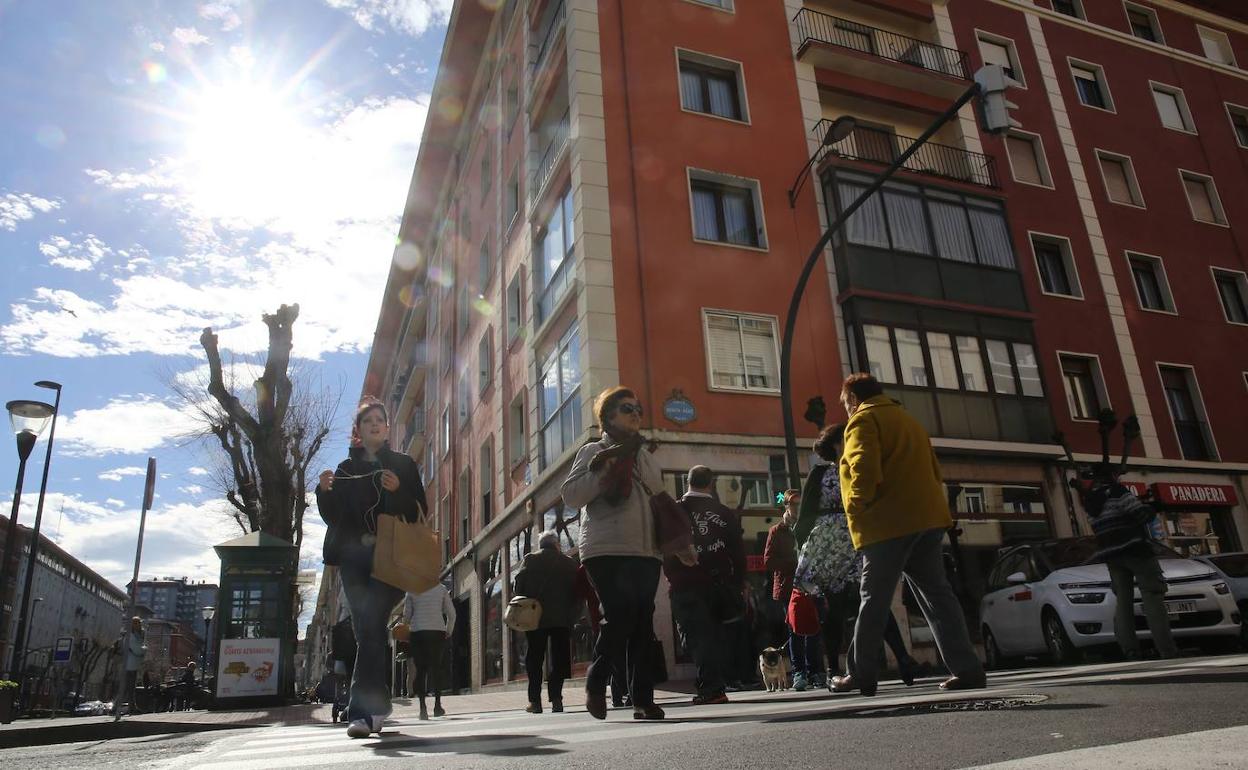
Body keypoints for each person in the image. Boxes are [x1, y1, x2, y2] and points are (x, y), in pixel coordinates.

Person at [833, 374, 986, 696]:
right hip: (927, 519)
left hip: (888, 523)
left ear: (853, 399)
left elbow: (863, 467)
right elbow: (933, 470)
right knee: (938, 596)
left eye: (846, 404)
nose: (846, 410)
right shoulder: (908, 420)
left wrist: (855, 507)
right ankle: (967, 668)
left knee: (873, 598)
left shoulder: (864, 420)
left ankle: (861, 673)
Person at [317, 400, 427, 738]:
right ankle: (374, 708)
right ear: (359, 430)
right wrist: (324, 493)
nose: (375, 425)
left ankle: (363, 711)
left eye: (380, 420)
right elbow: (334, 518)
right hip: (354, 560)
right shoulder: (346, 469)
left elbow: (419, 512)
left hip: (392, 558)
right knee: (368, 630)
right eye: (368, 421)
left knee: (370, 626)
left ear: (387, 428)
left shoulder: (404, 465)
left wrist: (398, 493)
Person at [562, 386, 669, 721]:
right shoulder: (594, 450)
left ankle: (643, 700)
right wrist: (606, 469)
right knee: (620, 615)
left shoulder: (646, 455)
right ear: (608, 417)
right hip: (605, 548)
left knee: (642, 624)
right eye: (627, 408)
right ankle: (597, 680)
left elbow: (660, 502)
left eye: (638, 408)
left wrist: (679, 545)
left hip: (646, 550)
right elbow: (571, 495)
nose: (636, 413)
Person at [794, 424, 922, 688]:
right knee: (872, 601)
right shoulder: (858, 466)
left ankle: (833, 669)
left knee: (836, 608)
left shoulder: (821, 473)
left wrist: (805, 548)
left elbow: (805, 513)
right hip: (859, 535)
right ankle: (902, 658)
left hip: (830, 543)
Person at [665, 465, 746, 705]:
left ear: (687, 482)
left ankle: (711, 687)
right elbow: (738, 552)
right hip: (719, 584)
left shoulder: (677, 510)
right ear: (711, 484)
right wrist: (738, 581)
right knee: (715, 636)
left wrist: (673, 575)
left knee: (696, 637)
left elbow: (667, 548)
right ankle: (717, 683)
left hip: (686, 584)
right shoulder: (724, 513)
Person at [1079, 468, 1178, 660]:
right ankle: (1167, 649)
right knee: (1153, 595)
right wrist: (1153, 507)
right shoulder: (1118, 492)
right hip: (1135, 549)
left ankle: (1129, 648)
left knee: (1123, 601)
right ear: (1112, 477)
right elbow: (1141, 515)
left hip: (1111, 554)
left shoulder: (1090, 502)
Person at [513, 530, 580, 713]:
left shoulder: (530, 559)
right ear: (557, 544)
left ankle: (535, 702)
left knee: (534, 659)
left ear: (541, 544)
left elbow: (518, 586)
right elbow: (578, 592)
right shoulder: (569, 563)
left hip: (535, 618)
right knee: (559, 659)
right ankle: (556, 698)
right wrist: (573, 615)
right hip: (561, 619)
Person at [766, 491, 822, 690]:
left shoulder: (809, 527)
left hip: (810, 585)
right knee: (795, 631)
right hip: (788, 588)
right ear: (786, 507)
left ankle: (816, 671)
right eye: (794, 504)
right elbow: (769, 561)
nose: (798, 508)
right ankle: (800, 672)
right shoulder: (777, 531)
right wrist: (795, 564)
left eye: (801, 503)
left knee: (814, 629)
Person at [401, 581, 457, 720]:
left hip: (418, 632)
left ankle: (422, 709)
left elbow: (406, 616)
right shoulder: (441, 589)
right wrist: (448, 630)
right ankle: (437, 706)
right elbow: (452, 613)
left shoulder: (412, 589)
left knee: (420, 671)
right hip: (437, 632)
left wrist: (407, 628)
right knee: (436, 669)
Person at [121, 617, 146, 715]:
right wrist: (144, 650)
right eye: (136, 623)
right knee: (128, 686)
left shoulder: (138, 635)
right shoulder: (130, 636)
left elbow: (140, 647)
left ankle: (131, 706)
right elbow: (138, 649)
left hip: (134, 663)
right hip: (129, 664)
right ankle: (119, 707)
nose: (139, 625)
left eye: (139, 623)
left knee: (130, 687)